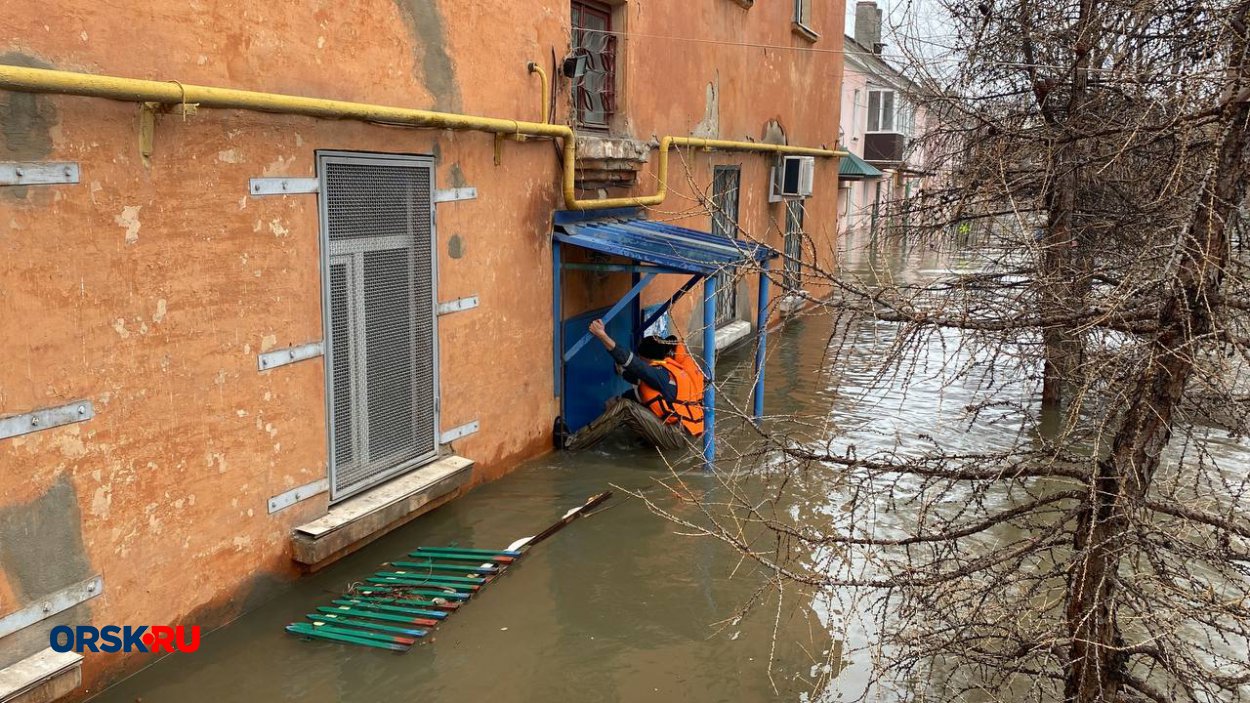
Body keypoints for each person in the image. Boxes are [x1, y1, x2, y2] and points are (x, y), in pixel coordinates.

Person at [563, 319, 705, 451]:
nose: (639, 360)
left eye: (641, 358)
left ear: (647, 359)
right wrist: (620, 385)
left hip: (676, 438)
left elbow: (632, 364)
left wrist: (602, 335)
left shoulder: (660, 374)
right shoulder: (671, 372)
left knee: (625, 408)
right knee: (624, 403)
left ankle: (572, 443)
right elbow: (645, 387)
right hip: (688, 436)